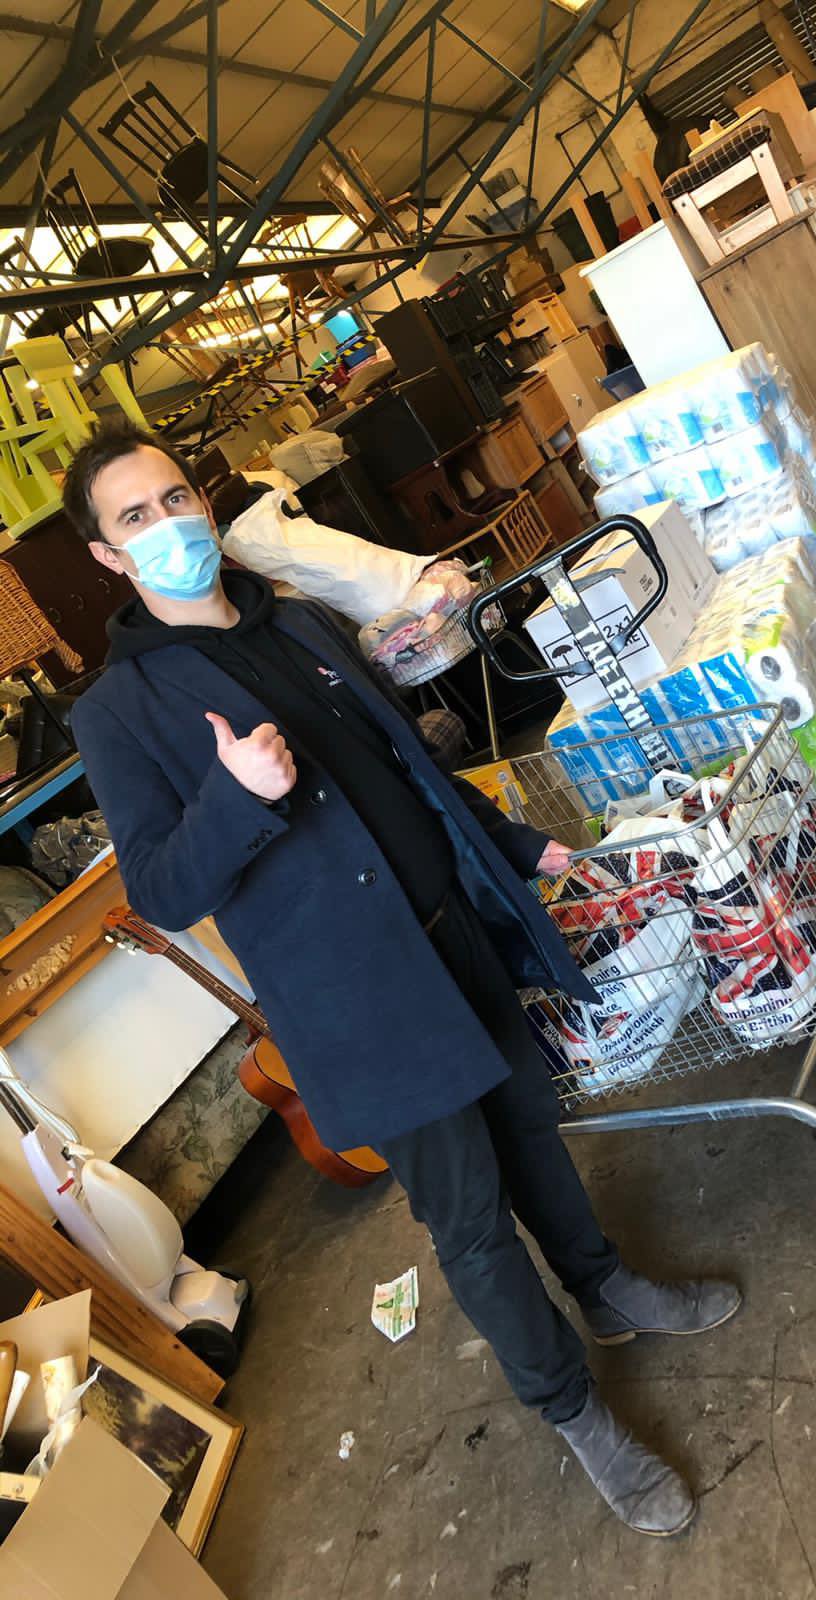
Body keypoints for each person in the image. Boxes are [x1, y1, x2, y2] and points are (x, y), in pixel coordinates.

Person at [63, 423, 741, 1538]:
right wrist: (235, 796)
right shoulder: (117, 711)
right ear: (106, 555)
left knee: (533, 1133)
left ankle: (606, 1287)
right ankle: (575, 1413)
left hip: (451, 933)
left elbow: (411, 765)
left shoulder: (297, 621)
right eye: (136, 516)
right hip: (358, 1003)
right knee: (471, 1219)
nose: (169, 523)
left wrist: (519, 847)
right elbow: (164, 887)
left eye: (176, 497)